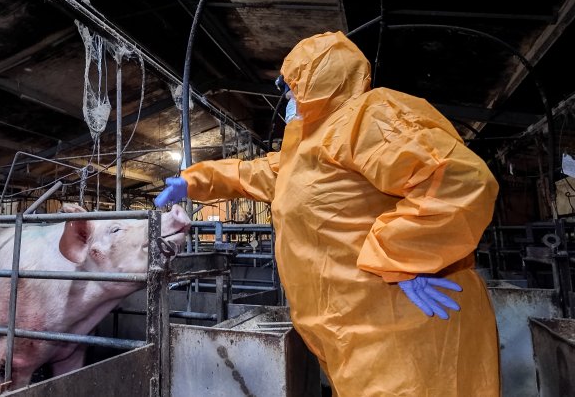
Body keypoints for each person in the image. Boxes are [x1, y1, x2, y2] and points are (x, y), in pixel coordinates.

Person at [155, 32, 500, 396]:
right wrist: (192, 181)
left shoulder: (368, 116)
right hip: (355, 332)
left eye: (291, 86)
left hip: (404, 325)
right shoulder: (307, 150)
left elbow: (460, 180)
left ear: (315, 80)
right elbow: (254, 174)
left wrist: (403, 255)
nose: (287, 96)